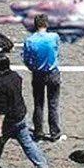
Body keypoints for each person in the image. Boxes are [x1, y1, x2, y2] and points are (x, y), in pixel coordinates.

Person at [0, 55, 51, 168]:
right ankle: (43, 167)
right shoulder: (15, 76)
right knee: (28, 143)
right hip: (20, 115)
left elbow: (1, 110)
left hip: (8, 121)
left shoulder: (0, 85)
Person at [23, 13, 64, 141]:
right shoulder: (54, 37)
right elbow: (57, 51)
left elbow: (26, 59)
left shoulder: (30, 40)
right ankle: (54, 132)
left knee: (38, 104)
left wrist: (33, 68)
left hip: (38, 74)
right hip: (52, 73)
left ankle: (38, 131)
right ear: (46, 24)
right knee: (53, 104)